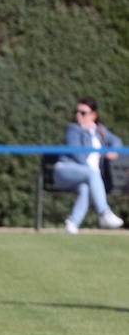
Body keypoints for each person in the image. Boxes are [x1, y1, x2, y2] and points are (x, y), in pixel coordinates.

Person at [53, 97, 124, 234]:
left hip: (85, 177)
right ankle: (104, 212)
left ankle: (72, 224)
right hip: (64, 171)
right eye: (77, 112)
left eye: (83, 112)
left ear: (93, 115)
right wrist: (87, 133)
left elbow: (117, 141)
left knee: (85, 188)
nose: (78, 115)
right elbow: (80, 157)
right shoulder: (73, 129)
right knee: (92, 173)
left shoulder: (100, 130)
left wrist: (113, 150)